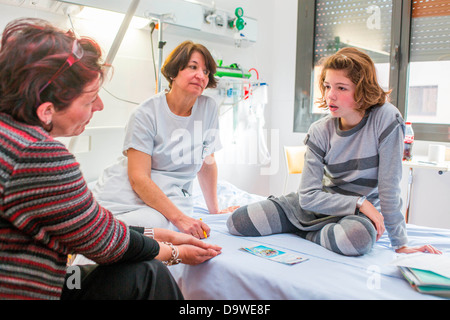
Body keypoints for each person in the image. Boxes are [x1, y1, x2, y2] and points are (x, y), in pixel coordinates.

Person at [0, 18, 221, 300]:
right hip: (37, 289)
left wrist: (167, 235)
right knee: (151, 272)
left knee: (144, 266)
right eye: (90, 99)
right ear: (46, 110)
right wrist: (176, 252)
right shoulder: (36, 156)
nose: (101, 106)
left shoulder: (10, 137)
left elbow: (100, 230)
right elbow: (104, 241)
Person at [227, 47, 441, 256]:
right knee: (238, 222)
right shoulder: (320, 130)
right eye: (328, 86)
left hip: (357, 217)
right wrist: (358, 201)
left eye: (341, 88)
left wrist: (400, 244)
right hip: (323, 205)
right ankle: (313, 231)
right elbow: (308, 197)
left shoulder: (386, 119)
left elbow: (389, 188)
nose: (331, 95)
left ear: (363, 89)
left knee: (356, 239)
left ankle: (307, 233)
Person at [93, 40, 237, 239]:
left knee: (169, 225)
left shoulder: (208, 108)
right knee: (157, 225)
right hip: (126, 196)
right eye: (193, 67)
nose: (200, 75)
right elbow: (138, 178)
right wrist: (180, 219)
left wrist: (214, 211)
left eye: (205, 72)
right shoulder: (146, 114)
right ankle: (92, 240)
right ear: (173, 73)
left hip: (171, 196)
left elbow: (207, 162)